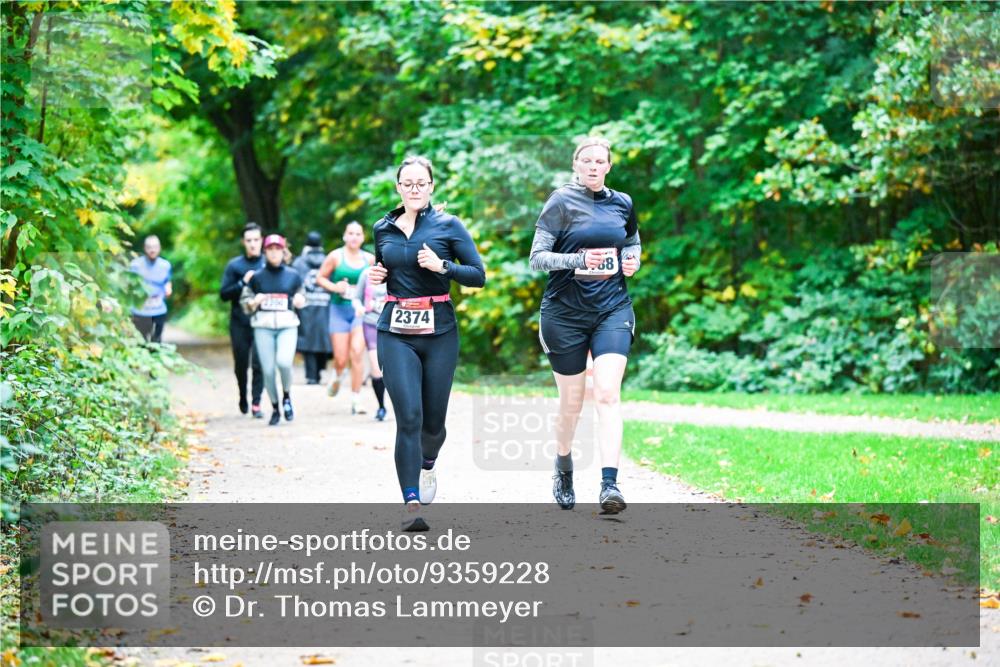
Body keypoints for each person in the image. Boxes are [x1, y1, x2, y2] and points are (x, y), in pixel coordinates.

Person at [369, 155, 485, 531]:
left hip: (439, 332)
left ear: (432, 186)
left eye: (422, 183)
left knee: (433, 425)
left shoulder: (449, 226)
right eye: (408, 183)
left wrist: (442, 267)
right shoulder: (382, 227)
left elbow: (478, 276)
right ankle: (411, 504)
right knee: (409, 418)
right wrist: (377, 273)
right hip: (395, 330)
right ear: (398, 187)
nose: (415, 189)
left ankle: (428, 463)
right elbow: (383, 267)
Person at [528, 137, 641, 514]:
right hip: (564, 315)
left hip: (612, 309)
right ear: (576, 164)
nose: (594, 166)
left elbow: (632, 242)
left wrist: (632, 260)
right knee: (573, 403)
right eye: (587, 161)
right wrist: (577, 260)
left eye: (601, 161)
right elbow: (537, 258)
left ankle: (610, 486)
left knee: (607, 393)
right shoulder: (560, 202)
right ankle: (563, 465)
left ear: (609, 166)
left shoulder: (622, 203)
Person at [240, 234, 306, 426]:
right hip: (263, 327)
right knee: (268, 370)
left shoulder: (292, 275)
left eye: (278, 249)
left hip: (287, 326)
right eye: (270, 249)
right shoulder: (256, 277)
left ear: (283, 251)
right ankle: (275, 407)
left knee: (284, 363)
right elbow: (245, 303)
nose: (274, 253)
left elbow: (302, 296)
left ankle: (286, 397)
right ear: (265, 252)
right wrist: (254, 302)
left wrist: (301, 301)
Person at [220, 222, 266, 417]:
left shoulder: (267, 263)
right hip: (239, 322)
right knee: (241, 364)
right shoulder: (235, 265)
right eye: (249, 241)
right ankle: (242, 395)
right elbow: (223, 294)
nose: (253, 244)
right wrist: (242, 282)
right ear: (243, 242)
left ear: (262, 241)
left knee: (260, 362)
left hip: (262, 321)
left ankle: (256, 403)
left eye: (256, 240)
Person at [291, 231, 333, 384]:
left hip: (306, 305)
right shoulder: (328, 260)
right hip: (325, 304)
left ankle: (311, 376)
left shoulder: (298, 263)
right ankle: (320, 370)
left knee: (307, 338)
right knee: (322, 338)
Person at [352, 264, 389, 421]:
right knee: (376, 368)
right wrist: (359, 307)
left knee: (395, 369)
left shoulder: (401, 270)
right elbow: (356, 298)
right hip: (371, 323)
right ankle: (381, 406)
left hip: (394, 325)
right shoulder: (366, 273)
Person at [129, 235, 172, 343]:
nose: (152, 250)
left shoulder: (165, 265)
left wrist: (168, 288)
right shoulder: (135, 265)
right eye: (149, 247)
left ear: (159, 248)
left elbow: (167, 281)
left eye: (155, 247)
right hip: (140, 310)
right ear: (144, 248)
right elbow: (129, 285)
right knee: (141, 341)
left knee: (156, 341)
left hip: (159, 308)